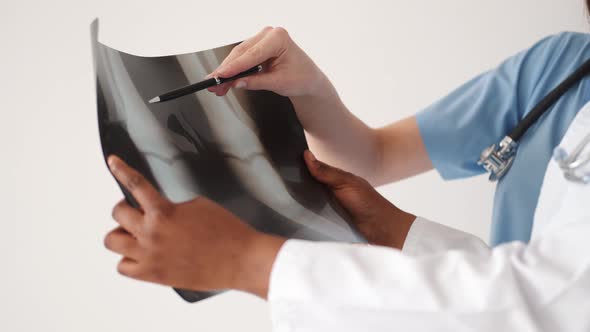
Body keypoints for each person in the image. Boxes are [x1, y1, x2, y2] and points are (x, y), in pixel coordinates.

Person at [103, 5, 590, 331]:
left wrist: (251, 263)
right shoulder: (563, 66)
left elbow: (554, 302)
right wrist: (397, 229)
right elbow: (375, 157)